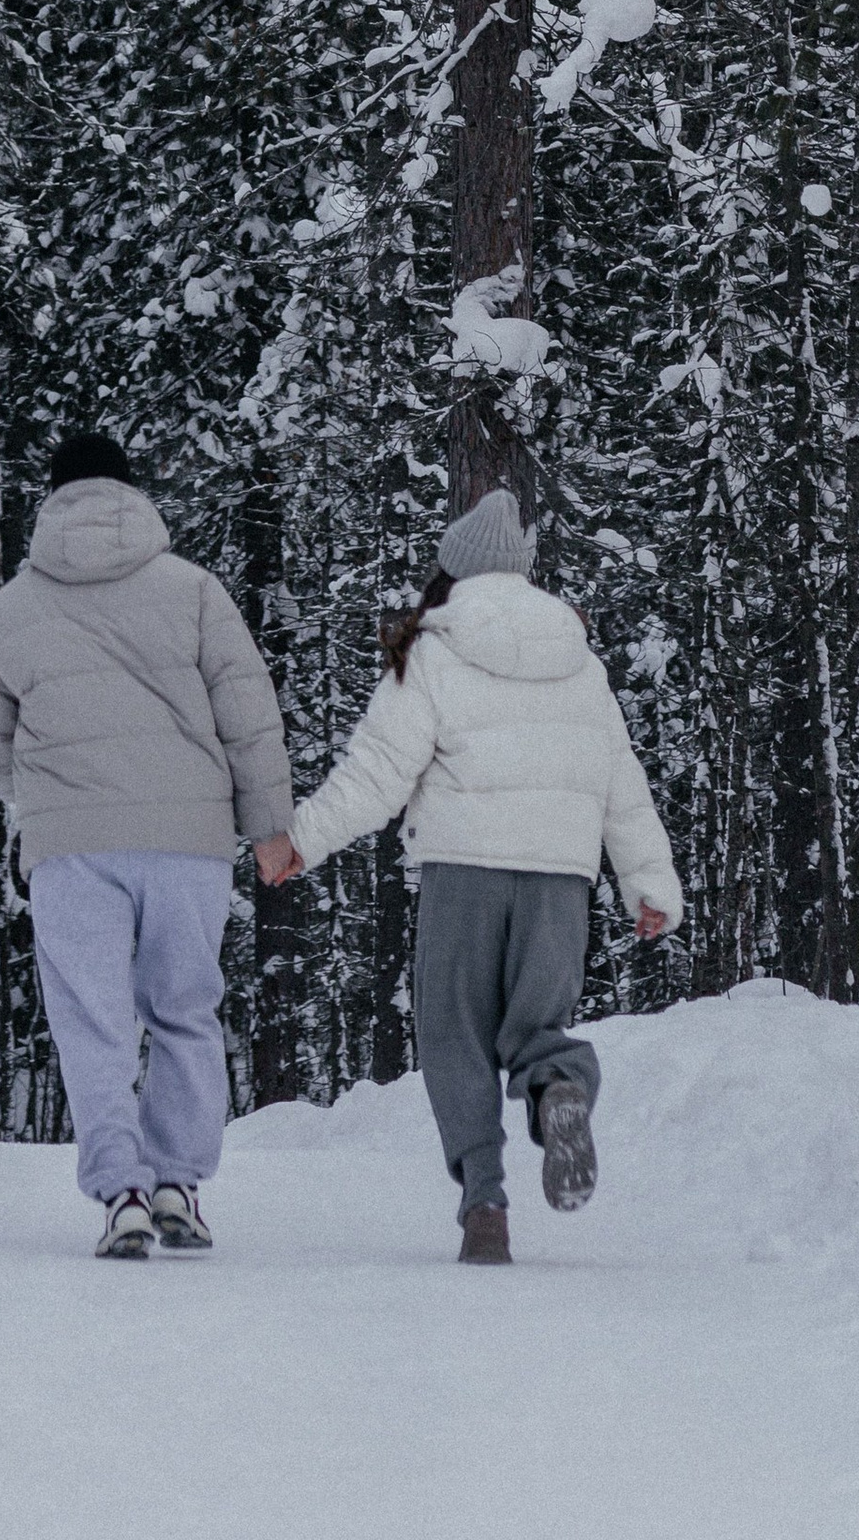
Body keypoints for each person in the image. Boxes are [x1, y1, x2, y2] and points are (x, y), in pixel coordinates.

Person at [253, 486, 682, 1267]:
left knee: (456, 1039)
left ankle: (484, 1199)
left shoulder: (437, 652)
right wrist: (649, 885)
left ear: (451, 574)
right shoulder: (579, 663)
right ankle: (559, 1090)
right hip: (561, 880)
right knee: (537, 1025)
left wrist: (301, 841)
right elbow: (622, 781)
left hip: (464, 876)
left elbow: (377, 775)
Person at [0, 426, 294, 1262]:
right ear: (132, 495)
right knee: (183, 1011)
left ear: (53, 502)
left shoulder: (13, 606)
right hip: (189, 840)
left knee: (92, 1022)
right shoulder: (195, 591)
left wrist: (34, 793)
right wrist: (271, 827)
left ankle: (124, 1195)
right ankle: (180, 1183)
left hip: (72, 847)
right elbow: (250, 713)